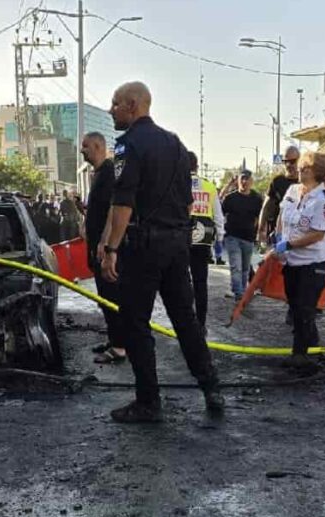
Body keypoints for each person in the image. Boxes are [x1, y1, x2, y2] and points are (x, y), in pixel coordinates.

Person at [98, 81, 223, 423]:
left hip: (144, 248)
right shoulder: (176, 144)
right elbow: (185, 200)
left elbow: (123, 202)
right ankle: (211, 387)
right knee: (185, 319)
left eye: (116, 104)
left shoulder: (128, 146)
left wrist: (111, 249)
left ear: (133, 105)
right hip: (176, 245)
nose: (112, 110)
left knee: (135, 323)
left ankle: (148, 402)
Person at [274, 152, 325, 367]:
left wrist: (289, 244)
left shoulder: (324, 201)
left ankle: (300, 356)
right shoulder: (293, 190)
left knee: (305, 309)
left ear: (318, 174)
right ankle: (310, 346)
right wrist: (278, 237)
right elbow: (281, 215)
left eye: (306, 168)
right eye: (301, 167)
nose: (300, 170)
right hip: (291, 261)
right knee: (295, 307)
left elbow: (317, 234)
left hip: (313, 264)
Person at [81, 131, 126, 364]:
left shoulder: (109, 172)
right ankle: (114, 339)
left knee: (111, 296)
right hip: (96, 245)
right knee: (105, 297)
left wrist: (106, 243)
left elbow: (113, 209)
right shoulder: (99, 173)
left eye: (86, 146)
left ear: (98, 146)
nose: (82, 150)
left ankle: (119, 347)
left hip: (103, 247)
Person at [188, 151, 225, 334]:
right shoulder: (209, 186)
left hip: (182, 237)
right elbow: (218, 215)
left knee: (181, 281)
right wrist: (220, 238)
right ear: (196, 166)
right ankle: (201, 324)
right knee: (200, 281)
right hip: (204, 239)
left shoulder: (178, 183)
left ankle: (186, 321)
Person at [220, 169, 263, 300]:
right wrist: (227, 186)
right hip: (232, 236)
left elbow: (259, 218)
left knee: (245, 267)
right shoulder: (230, 198)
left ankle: (241, 290)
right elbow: (219, 205)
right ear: (238, 181)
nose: (244, 182)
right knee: (236, 266)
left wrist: (260, 233)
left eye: (247, 179)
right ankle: (239, 293)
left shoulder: (256, 199)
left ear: (251, 181)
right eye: (242, 179)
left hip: (248, 237)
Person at [257, 145, 301, 246]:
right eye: (285, 161)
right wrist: (261, 230)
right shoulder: (277, 182)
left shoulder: (306, 180)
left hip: (299, 234)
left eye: (292, 161)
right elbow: (266, 207)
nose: (289, 165)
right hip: (279, 233)